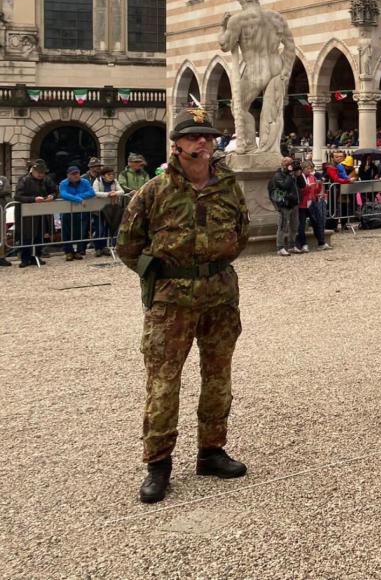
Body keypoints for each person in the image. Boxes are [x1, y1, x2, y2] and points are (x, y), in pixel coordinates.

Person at [116, 107, 250, 504]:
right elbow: (128, 245)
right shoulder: (154, 191)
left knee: (218, 376)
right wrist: (167, 275)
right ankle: (158, 464)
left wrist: (211, 262)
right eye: (194, 137)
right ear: (176, 145)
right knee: (163, 381)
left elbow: (241, 232)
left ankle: (211, 451)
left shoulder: (228, 187)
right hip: (171, 302)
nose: (203, 142)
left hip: (220, 296)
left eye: (207, 136)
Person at [15, 159, 56, 267]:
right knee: (26, 236)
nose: (41, 174)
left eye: (43, 172)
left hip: (41, 212)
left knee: (39, 236)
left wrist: (53, 196)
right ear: (32, 170)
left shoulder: (46, 180)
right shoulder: (24, 180)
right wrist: (33, 199)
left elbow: (55, 190)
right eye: (39, 172)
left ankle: (36, 256)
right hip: (26, 213)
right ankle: (25, 258)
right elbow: (18, 196)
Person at [58, 165, 96, 261]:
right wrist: (79, 199)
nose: (76, 175)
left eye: (77, 173)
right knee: (66, 232)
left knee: (81, 231)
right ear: (68, 175)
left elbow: (91, 193)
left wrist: (76, 196)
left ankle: (79, 251)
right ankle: (68, 252)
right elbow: (63, 194)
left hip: (81, 211)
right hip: (66, 211)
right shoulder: (63, 183)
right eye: (73, 174)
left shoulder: (85, 182)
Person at [267, 156, 301, 256]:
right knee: (283, 226)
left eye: (291, 163)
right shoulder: (278, 175)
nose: (290, 165)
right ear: (283, 164)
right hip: (284, 204)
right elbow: (284, 186)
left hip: (294, 204)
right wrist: (290, 175)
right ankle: (280, 247)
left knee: (294, 226)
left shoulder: (294, 175)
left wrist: (298, 174)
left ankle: (291, 245)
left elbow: (302, 185)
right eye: (288, 163)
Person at [296, 161, 330, 252]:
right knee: (301, 225)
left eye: (311, 168)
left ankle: (321, 242)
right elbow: (300, 190)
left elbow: (316, 190)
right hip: (302, 204)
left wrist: (320, 185)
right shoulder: (299, 178)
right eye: (307, 168)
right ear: (303, 169)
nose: (309, 170)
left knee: (316, 223)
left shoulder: (312, 177)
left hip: (312, 203)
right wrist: (308, 187)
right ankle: (303, 244)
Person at [92, 166, 126, 253]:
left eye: (112, 174)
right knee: (100, 229)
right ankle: (97, 248)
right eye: (109, 174)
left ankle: (104, 247)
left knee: (108, 229)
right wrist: (108, 194)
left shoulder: (115, 181)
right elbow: (95, 193)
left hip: (110, 210)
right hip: (98, 209)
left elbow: (121, 191)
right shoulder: (97, 181)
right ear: (103, 176)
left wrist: (115, 193)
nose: (111, 176)